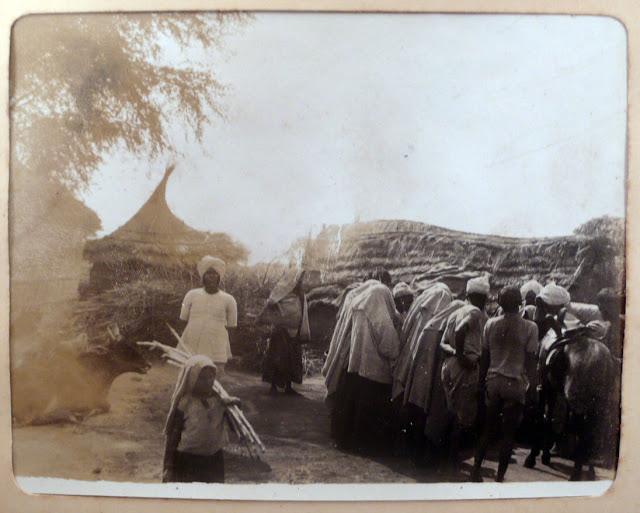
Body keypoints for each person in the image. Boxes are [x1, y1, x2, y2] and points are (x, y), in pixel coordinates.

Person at [470, 286, 538, 482]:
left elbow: (484, 358)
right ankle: (500, 478)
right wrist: (533, 388)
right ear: (519, 303)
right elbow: (531, 361)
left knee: (487, 429)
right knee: (508, 435)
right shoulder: (530, 327)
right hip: (515, 384)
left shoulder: (491, 324)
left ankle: (475, 471)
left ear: (500, 303)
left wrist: (480, 383)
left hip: (493, 382)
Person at [337, 276, 401, 454]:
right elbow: (389, 344)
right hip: (375, 369)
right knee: (370, 410)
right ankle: (365, 445)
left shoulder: (361, 308)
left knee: (354, 406)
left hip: (357, 365)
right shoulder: (379, 313)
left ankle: (349, 442)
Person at [439, 276, 490, 476]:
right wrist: (462, 357)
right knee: (463, 419)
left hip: (449, 366)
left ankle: (445, 457)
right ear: (484, 298)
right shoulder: (475, 313)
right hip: (465, 368)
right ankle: (452, 462)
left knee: (452, 414)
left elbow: (443, 343)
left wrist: (454, 354)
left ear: (468, 295)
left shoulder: (455, 312)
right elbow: (460, 331)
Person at [162, 355, 240, 483]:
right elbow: (173, 437)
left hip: (214, 459)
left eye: (211, 377)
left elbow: (234, 428)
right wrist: (169, 466)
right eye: (202, 378)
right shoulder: (184, 403)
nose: (208, 381)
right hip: (188, 460)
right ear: (192, 379)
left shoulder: (220, 401)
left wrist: (236, 406)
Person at [179, 256, 238, 375]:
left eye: (215, 273)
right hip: (192, 342)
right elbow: (182, 320)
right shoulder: (191, 295)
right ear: (203, 277)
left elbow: (232, 326)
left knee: (213, 377)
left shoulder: (229, 299)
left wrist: (223, 345)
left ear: (219, 277)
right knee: (191, 375)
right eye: (208, 273)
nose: (211, 277)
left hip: (216, 344)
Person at [261, 269, 311, 394]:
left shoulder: (300, 295)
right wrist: (280, 314)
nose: (301, 282)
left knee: (292, 359)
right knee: (277, 357)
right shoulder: (280, 291)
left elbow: (302, 311)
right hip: (280, 330)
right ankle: (273, 386)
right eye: (299, 279)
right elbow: (270, 305)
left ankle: (289, 386)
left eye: (301, 280)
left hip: (295, 332)